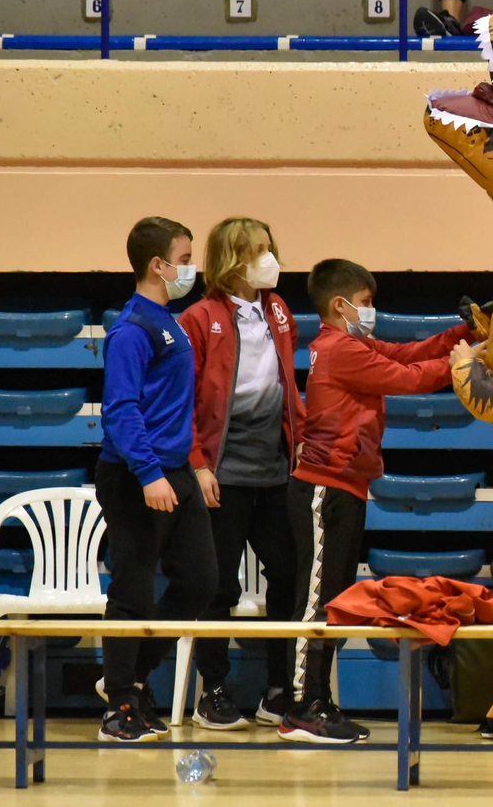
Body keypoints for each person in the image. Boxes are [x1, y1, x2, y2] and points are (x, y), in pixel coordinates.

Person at [279, 259, 484, 743]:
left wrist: (467, 332)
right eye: (367, 304)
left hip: (346, 486)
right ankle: (303, 708)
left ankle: (318, 702)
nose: (372, 312)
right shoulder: (340, 350)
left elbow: (411, 351)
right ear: (340, 304)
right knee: (316, 603)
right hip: (323, 488)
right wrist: (472, 358)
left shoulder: (353, 344)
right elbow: (411, 378)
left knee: (333, 601)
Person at [177, 217, 304, 730]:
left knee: (290, 576)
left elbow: (290, 387)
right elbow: (181, 399)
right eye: (257, 250)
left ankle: (279, 690)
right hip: (222, 474)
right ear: (231, 258)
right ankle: (216, 691)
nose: (268, 258)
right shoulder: (198, 317)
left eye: (270, 248)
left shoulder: (279, 311)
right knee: (217, 587)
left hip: (275, 471)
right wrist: (198, 464)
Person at [95, 217, 218, 743]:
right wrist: (147, 473)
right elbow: (121, 410)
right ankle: (119, 706)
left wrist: (187, 466)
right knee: (133, 590)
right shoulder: (132, 329)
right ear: (158, 265)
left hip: (175, 471)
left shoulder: (168, 321)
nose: (191, 268)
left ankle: (129, 678)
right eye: (185, 258)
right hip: (135, 476)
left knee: (199, 582)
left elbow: (174, 406)